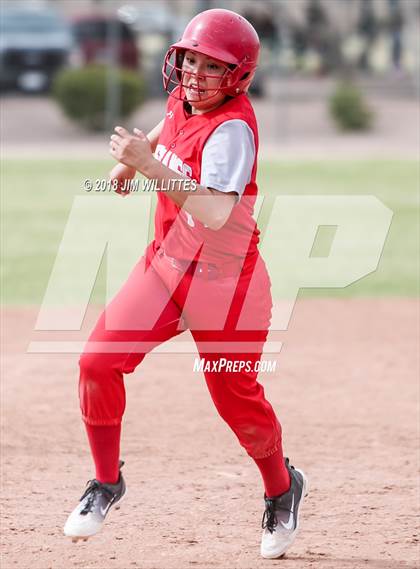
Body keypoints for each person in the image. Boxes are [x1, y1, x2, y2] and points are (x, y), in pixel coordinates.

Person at [63, 8, 308, 559]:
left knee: (236, 402)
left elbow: (216, 211)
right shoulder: (188, 98)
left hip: (226, 287)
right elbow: (171, 122)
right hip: (167, 268)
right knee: (96, 363)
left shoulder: (233, 130)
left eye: (211, 65)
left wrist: (146, 164)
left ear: (239, 76)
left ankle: (281, 486)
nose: (195, 73)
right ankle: (105, 483)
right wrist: (133, 162)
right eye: (190, 59)